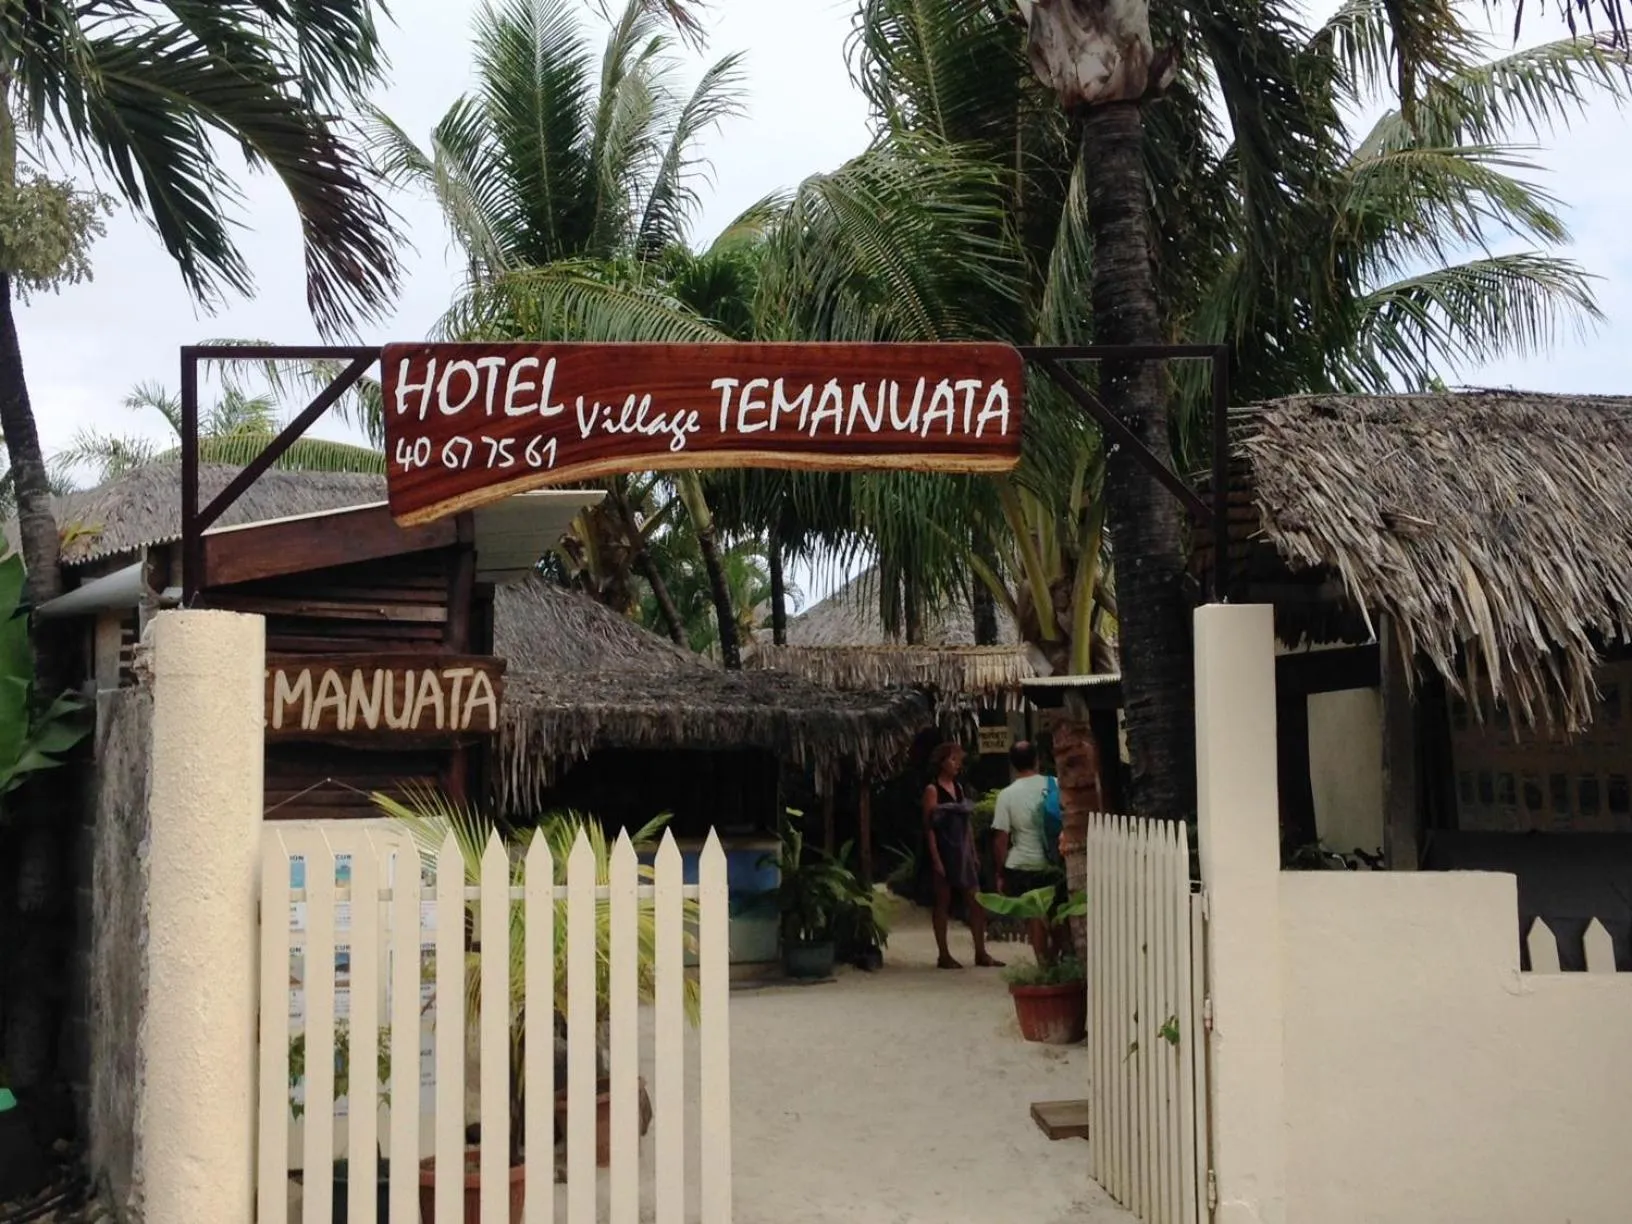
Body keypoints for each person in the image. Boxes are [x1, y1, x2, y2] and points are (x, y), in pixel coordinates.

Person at [922, 741, 1003, 970]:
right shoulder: (932, 790)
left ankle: (981, 951)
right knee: (943, 902)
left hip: (961, 849)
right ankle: (944, 954)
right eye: (953, 759)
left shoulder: (958, 788)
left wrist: (973, 851)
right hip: (943, 848)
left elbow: (966, 823)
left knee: (976, 901)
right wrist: (936, 859)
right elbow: (929, 828)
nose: (958, 764)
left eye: (959, 760)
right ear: (942, 762)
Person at [991, 740, 1064, 963]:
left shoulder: (1007, 795)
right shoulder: (1055, 784)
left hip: (1022, 865)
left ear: (1012, 765)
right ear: (1037, 760)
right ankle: (1057, 958)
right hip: (1055, 862)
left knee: (1033, 917)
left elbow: (1001, 839)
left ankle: (1043, 964)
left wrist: (1000, 872)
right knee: (1059, 913)